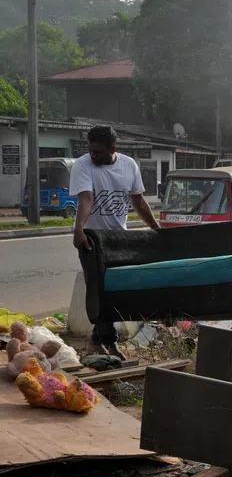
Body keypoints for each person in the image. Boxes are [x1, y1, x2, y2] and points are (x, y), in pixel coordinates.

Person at [70, 125, 161, 357]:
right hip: (92, 240)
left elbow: (138, 201)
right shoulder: (83, 165)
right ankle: (109, 343)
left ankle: (95, 342)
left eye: (98, 152)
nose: (93, 155)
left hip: (120, 240)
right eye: (90, 150)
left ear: (113, 149)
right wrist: (79, 229)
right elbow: (86, 198)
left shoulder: (129, 165)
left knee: (115, 293)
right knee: (99, 293)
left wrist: (157, 228)